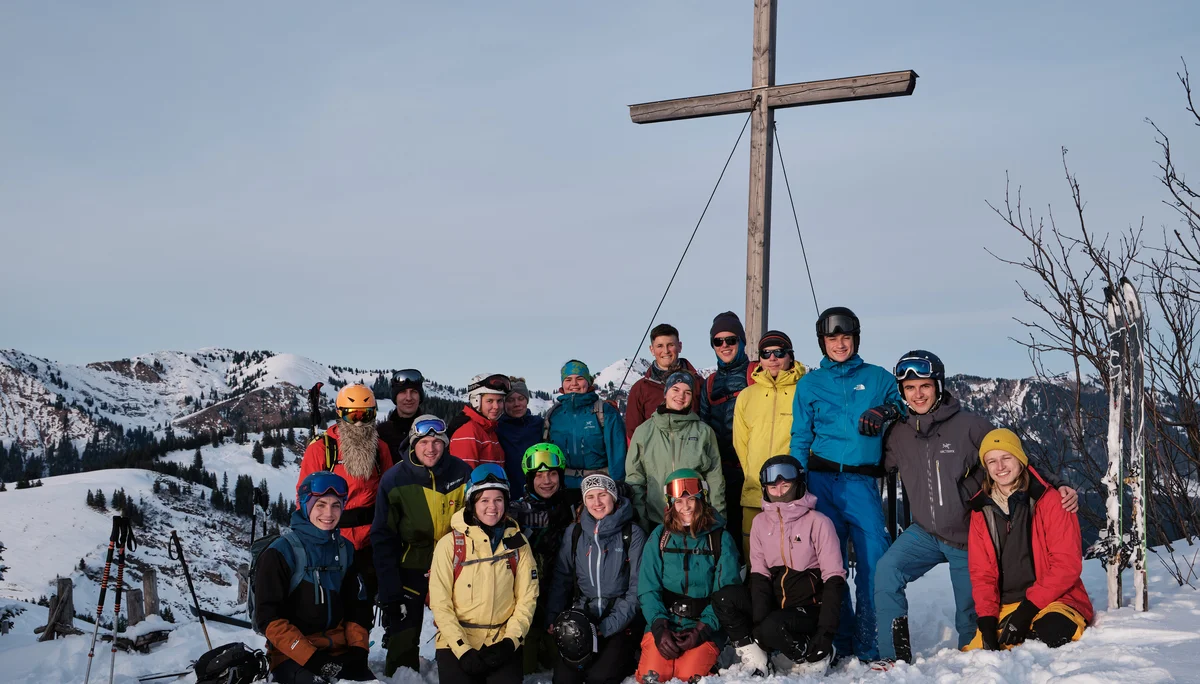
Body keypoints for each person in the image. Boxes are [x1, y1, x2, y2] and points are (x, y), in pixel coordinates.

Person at [870, 351, 1080, 664]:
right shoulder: (899, 433)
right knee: (887, 570)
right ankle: (892, 657)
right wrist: (875, 424)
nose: (918, 394)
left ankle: (972, 665)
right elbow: (874, 466)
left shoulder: (969, 426)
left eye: (925, 386)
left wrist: (1056, 484)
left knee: (971, 614)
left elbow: (1013, 457)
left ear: (938, 386)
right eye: (910, 388)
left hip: (969, 535)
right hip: (924, 532)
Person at [789, 306, 898, 662]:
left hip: (861, 482)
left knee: (873, 561)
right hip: (820, 482)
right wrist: (796, 485)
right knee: (829, 565)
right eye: (832, 338)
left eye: (846, 337)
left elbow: (906, 403)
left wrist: (886, 411)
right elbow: (800, 436)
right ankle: (841, 639)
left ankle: (871, 642)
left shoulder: (877, 378)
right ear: (822, 342)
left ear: (856, 339)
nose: (839, 344)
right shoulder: (810, 384)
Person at [713, 456, 844, 676]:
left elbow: (834, 579)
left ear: (798, 484)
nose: (780, 493)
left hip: (808, 608)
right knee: (724, 598)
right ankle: (758, 657)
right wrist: (759, 630)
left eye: (785, 485)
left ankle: (814, 653)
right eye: (773, 487)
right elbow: (760, 576)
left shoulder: (819, 522)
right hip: (777, 604)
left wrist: (826, 633)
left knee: (772, 627)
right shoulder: (760, 523)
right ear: (765, 489)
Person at [965, 429, 1094, 651]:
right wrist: (987, 621)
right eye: (992, 461)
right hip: (1008, 605)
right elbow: (982, 574)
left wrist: (1026, 612)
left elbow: (1066, 565)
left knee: (1049, 633)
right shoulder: (981, 511)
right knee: (980, 653)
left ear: (1020, 459)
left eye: (1006, 457)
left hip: (1056, 600)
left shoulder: (1052, 500)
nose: (1000, 467)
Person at [371, 415, 473, 676]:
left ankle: (458, 673)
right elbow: (383, 537)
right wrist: (389, 589)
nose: (431, 448)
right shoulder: (395, 479)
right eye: (424, 442)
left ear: (445, 444)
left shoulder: (461, 473)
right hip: (410, 567)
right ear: (412, 444)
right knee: (403, 638)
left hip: (454, 567)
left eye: (437, 442)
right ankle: (400, 677)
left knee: (459, 633)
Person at [255, 472, 375, 683]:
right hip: (292, 655)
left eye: (336, 505)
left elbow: (358, 606)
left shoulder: (345, 550)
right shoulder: (281, 552)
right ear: (306, 505)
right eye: (321, 505)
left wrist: (358, 649)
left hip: (339, 650)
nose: (329, 513)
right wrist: (311, 658)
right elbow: (268, 618)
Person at [428, 464, 539, 684]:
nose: (492, 507)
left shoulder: (518, 544)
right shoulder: (450, 545)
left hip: (502, 639)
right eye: (484, 500)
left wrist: (510, 642)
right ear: (472, 503)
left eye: (498, 499)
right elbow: (440, 604)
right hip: (457, 641)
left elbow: (527, 598)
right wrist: (463, 649)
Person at [635, 469, 741, 684]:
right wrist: (659, 627)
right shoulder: (660, 537)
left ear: (702, 499)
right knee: (652, 677)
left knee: (688, 677)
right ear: (670, 504)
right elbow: (648, 587)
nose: (686, 507)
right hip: (667, 622)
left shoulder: (720, 539)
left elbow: (725, 592)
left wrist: (702, 630)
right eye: (678, 501)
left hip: (703, 625)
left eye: (691, 499)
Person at [297, 383, 394, 607]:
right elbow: (303, 498)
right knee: (330, 607)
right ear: (340, 415)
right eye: (353, 416)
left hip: (369, 546)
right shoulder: (322, 449)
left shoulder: (380, 449)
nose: (359, 423)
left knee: (363, 610)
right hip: (332, 543)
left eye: (365, 415)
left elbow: (390, 494)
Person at [546, 474, 646, 684]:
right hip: (584, 616)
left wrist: (607, 626)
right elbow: (562, 578)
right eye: (590, 497)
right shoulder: (575, 533)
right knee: (564, 679)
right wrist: (553, 616)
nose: (597, 502)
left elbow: (637, 589)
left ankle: (626, 657)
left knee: (599, 678)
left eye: (603, 495)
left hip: (620, 621)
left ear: (614, 497)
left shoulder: (632, 533)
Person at [732, 329, 805, 557]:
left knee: (792, 554)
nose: (772, 358)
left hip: (792, 493)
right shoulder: (747, 396)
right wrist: (754, 475)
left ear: (790, 355)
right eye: (766, 353)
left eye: (779, 352)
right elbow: (741, 443)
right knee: (754, 555)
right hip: (755, 493)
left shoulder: (803, 391)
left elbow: (809, 439)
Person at [626, 370, 725, 527]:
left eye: (687, 392)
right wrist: (641, 522)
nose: (681, 396)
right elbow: (635, 480)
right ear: (665, 393)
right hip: (657, 520)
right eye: (676, 389)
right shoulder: (643, 432)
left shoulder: (704, 432)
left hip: (696, 520)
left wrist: (718, 519)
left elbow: (715, 478)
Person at [510, 443, 576, 674]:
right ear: (529, 479)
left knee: (558, 661)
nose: (546, 481)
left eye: (552, 474)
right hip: (526, 601)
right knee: (525, 666)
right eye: (538, 475)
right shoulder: (515, 511)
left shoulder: (574, 505)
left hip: (562, 598)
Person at [697, 312, 755, 559]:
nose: (724, 346)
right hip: (721, 474)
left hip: (752, 471)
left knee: (754, 538)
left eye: (731, 340)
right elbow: (703, 427)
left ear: (741, 341)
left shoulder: (756, 374)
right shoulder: (709, 383)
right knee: (726, 536)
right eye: (718, 341)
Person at [544, 360, 627, 490]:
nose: (574, 384)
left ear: (588, 382)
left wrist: (618, 486)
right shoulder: (554, 415)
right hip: (563, 488)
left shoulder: (604, 412)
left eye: (580, 378)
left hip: (599, 486)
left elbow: (618, 455)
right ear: (562, 384)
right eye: (568, 379)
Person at [625, 323, 701, 443]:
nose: (666, 351)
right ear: (652, 350)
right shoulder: (640, 389)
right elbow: (633, 434)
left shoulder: (698, 383)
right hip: (654, 453)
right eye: (660, 346)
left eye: (670, 345)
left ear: (680, 346)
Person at [449, 373, 510, 469]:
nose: (496, 407)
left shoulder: (489, 429)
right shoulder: (468, 432)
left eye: (499, 401)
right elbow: (465, 475)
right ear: (476, 401)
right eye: (490, 401)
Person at [496, 377, 545, 494]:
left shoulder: (539, 424)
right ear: (504, 403)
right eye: (510, 400)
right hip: (508, 491)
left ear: (526, 400)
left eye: (521, 398)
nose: (516, 404)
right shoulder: (497, 427)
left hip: (538, 491)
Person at [377, 368, 426, 460]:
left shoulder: (431, 430)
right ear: (395, 398)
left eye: (414, 392)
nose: (409, 398)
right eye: (403, 392)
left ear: (420, 397)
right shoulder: (381, 433)